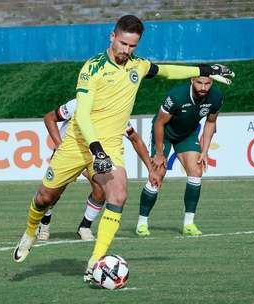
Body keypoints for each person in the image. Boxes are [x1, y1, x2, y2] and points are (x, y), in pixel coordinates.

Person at [12, 15, 234, 283]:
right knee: (44, 198)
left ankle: (94, 263)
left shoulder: (137, 66)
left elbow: (165, 70)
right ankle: (30, 231)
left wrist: (203, 69)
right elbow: (81, 115)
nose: (127, 51)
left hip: (111, 146)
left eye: (133, 46)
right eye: (123, 44)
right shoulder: (92, 68)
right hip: (79, 143)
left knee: (118, 195)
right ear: (112, 37)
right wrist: (96, 149)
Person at [37, 99, 160, 241]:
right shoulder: (78, 104)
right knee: (52, 194)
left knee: (103, 187)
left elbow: (135, 139)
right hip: (70, 152)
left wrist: (151, 169)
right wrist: (60, 147)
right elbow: (49, 118)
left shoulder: (116, 114)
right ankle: (44, 222)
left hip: (94, 157)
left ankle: (85, 226)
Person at [136, 76, 226, 237]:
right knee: (157, 175)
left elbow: (211, 122)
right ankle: (142, 223)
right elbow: (159, 123)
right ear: (192, 80)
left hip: (187, 135)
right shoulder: (177, 96)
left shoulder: (216, 96)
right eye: (200, 82)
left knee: (196, 171)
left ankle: (189, 224)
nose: (203, 87)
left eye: (207, 83)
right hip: (164, 134)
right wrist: (159, 153)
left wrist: (205, 151)